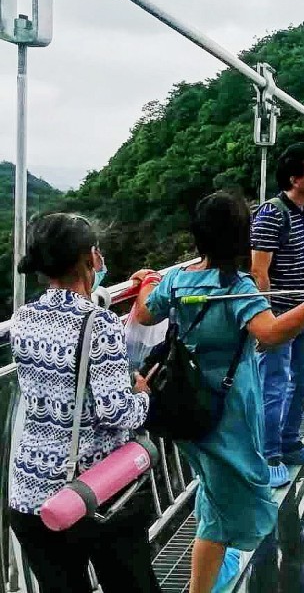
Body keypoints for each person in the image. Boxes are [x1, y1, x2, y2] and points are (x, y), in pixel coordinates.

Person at [133, 191, 304, 593]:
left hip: (184, 400)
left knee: (213, 488)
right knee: (223, 492)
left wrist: (148, 282)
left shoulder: (177, 279)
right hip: (228, 406)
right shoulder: (237, 285)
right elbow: (270, 334)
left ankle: (211, 566)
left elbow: (144, 312)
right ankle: (202, 582)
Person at [9, 213, 160, 593]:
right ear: (90, 258)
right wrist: (142, 395)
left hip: (30, 495)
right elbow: (115, 413)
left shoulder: (23, 318)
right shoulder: (102, 324)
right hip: (92, 494)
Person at [251, 142, 304, 488]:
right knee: (275, 385)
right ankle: (269, 455)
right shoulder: (270, 214)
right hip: (280, 314)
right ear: (295, 179)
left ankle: (290, 441)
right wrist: (264, 315)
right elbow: (259, 270)